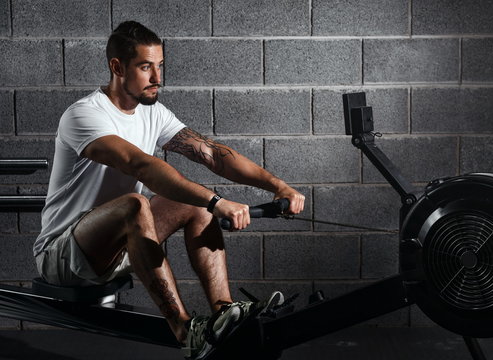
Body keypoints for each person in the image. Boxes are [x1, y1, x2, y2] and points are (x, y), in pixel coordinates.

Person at [33, 21, 304, 359]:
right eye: (146, 67)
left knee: (194, 204)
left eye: (159, 66)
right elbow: (140, 165)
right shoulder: (84, 115)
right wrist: (217, 201)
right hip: (62, 257)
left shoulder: (154, 114)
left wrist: (278, 185)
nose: (158, 78)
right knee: (136, 204)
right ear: (117, 67)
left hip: (112, 250)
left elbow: (211, 154)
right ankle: (186, 331)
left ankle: (225, 313)